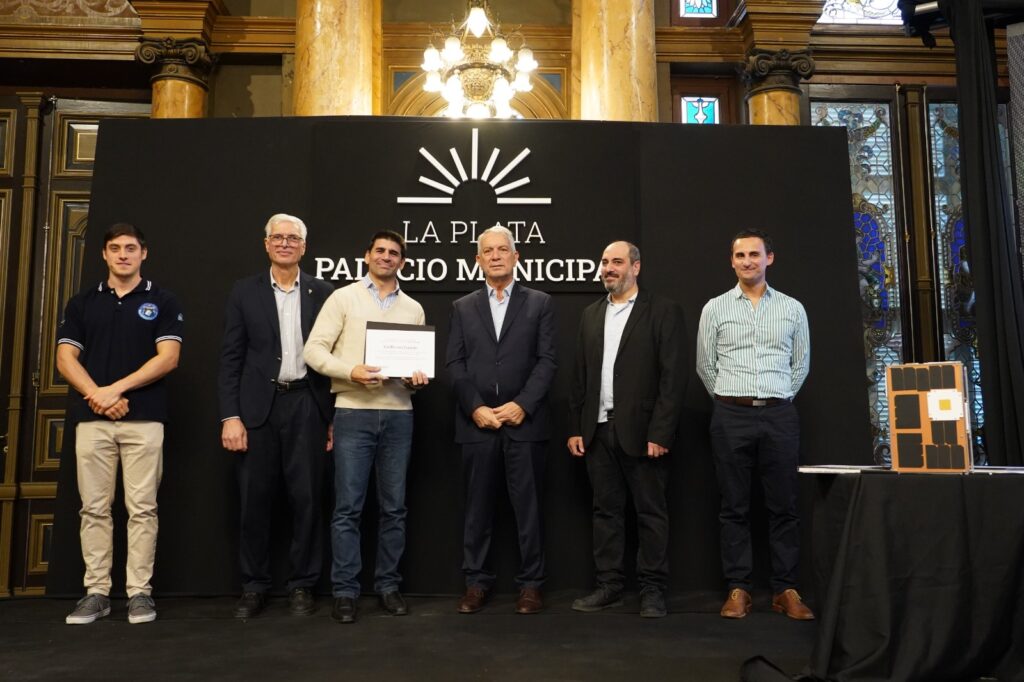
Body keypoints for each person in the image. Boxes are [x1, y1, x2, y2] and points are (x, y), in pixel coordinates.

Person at [56, 222, 183, 625]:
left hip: (144, 420)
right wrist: (97, 395)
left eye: (130, 248)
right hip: (92, 420)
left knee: (142, 509)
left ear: (144, 253)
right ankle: (96, 592)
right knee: (93, 508)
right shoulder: (83, 303)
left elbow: (168, 358)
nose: (123, 255)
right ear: (104, 254)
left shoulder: (162, 300)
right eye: (115, 248)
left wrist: (115, 389)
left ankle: (139, 593)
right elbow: (65, 359)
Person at [303, 230, 429, 624]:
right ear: (367, 255)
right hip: (353, 412)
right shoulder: (343, 298)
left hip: (399, 414)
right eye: (380, 251)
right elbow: (313, 350)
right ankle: (345, 591)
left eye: (394, 253)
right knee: (347, 508)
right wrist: (350, 371)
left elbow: (415, 369)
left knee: (394, 508)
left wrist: (415, 380)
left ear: (402, 262)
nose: (386, 257)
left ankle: (388, 586)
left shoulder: (413, 308)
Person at [218, 213, 334, 619]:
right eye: (278, 237)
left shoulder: (323, 292)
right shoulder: (244, 292)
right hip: (257, 409)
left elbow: (334, 356)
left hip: (307, 404)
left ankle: (303, 584)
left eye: (293, 238)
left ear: (304, 247)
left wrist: (332, 418)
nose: (285, 243)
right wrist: (230, 416)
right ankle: (254, 585)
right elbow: (231, 359)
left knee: (307, 499)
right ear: (266, 244)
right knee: (254, 500)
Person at [695, 228, 814, 621]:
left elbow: (801, 364)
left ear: (769, 259)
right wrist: (731, 398)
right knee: (734, 506)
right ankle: (739, 588)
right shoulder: (715, 308)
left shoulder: (793, 309)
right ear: (732, 262)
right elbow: (705, 365)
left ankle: (785, 589)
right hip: (731, 415)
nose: (747, 261)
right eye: (740, 255)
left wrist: (778, 396)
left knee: (785, 505)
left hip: (779, 414)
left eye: (754, 254)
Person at [567, 241, 686, 618]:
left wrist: (661, 433)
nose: (608, 268)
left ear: (636, 267)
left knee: (651, 513)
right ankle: (610, 586)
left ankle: (653, 591)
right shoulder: (590, 314)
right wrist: (576, 427)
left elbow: (673, 378)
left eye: (616, 262)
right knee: (606, 513)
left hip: (644, 433)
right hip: (598, 431)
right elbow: (579, 376)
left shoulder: (663, 310)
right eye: (604, 262)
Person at [446, 224, 557, 615]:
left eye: (502, 249)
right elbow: (454, 364)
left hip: (524, 424)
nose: (495, 256)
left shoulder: (540, 303)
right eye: (488, 251)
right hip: (476, 425)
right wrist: (475, 407)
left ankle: (531, 585)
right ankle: (476, 582)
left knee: (529, 510)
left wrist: (522, 405)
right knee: (477, 509)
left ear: (516, 256)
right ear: (478, 260)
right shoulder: (462, 307)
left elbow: (547, 361)